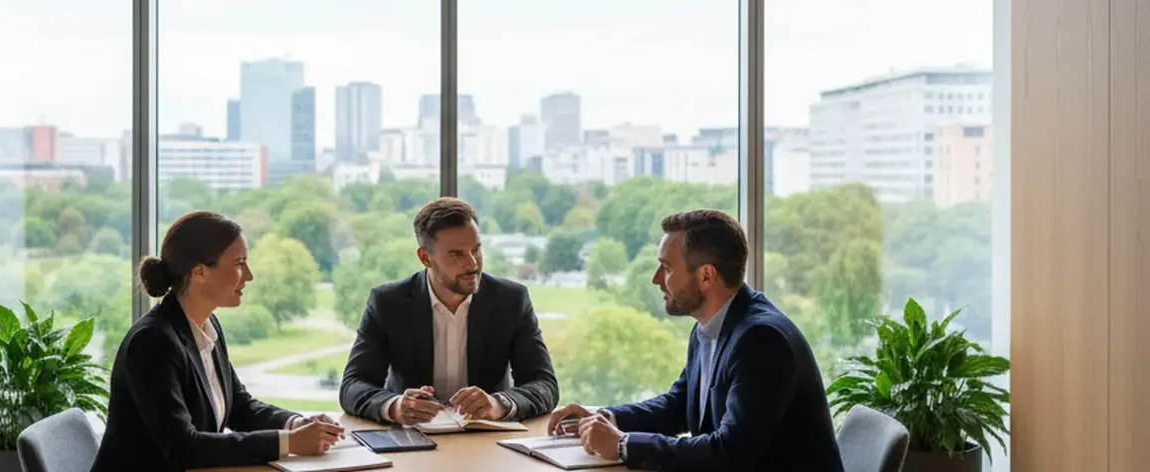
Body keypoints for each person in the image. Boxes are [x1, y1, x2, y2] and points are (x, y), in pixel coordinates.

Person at [547, 209, 843, 471]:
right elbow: (679, 405)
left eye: (667, 267)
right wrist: (603, 417)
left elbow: (729, 452)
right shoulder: (710, 327)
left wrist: (624, 445)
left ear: (705, 276)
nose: (656, 279)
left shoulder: (763, 341)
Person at [92, 211, 346, 471]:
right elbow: (183, 448)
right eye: (239, 264)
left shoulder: (208, 325)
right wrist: (289, 443)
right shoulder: (151, 342)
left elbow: (239, 407)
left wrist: (295, 424)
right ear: (200, 272)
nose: (248, 275)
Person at [340, 197, 559, 426]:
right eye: (457, 255)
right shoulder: (388, 302)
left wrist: (499, 404)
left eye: (476, 250)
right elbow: (353, 385)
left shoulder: (511, 300)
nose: (473, 264)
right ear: (425, 258)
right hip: (412, 441)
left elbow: (544, 384)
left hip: (488, 441)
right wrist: (395, 406)